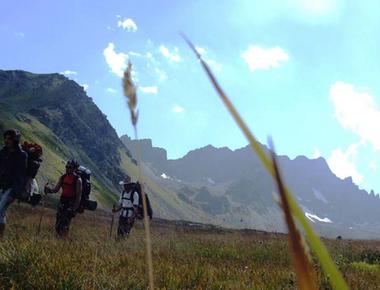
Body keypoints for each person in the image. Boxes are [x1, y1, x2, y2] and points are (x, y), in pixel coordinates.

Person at [0, 129, 28, 237]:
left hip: (11, 187)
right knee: (1, 213)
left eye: (9, 139)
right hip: (1, 184)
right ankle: (1, 238)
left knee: (0, 210)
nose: (6, 141)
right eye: (5, 138)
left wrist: (14, 193)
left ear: (15, 140)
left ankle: (0, 237)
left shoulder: (21, 155)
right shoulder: (3, 152)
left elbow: (21, 176)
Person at [45, 160, 82, 236]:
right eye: (66, 167)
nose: (67, 168)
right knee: (58, 223)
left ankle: (62, 240)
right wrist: (49, 190)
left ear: (75, 169)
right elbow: (56, 190)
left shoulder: (78, 180)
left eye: (69, 167)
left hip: (70, 203)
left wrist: (74, 209)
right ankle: (60, 240)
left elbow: (78, 196)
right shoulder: (63, 177)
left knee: (64, 224)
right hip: (63, 201)